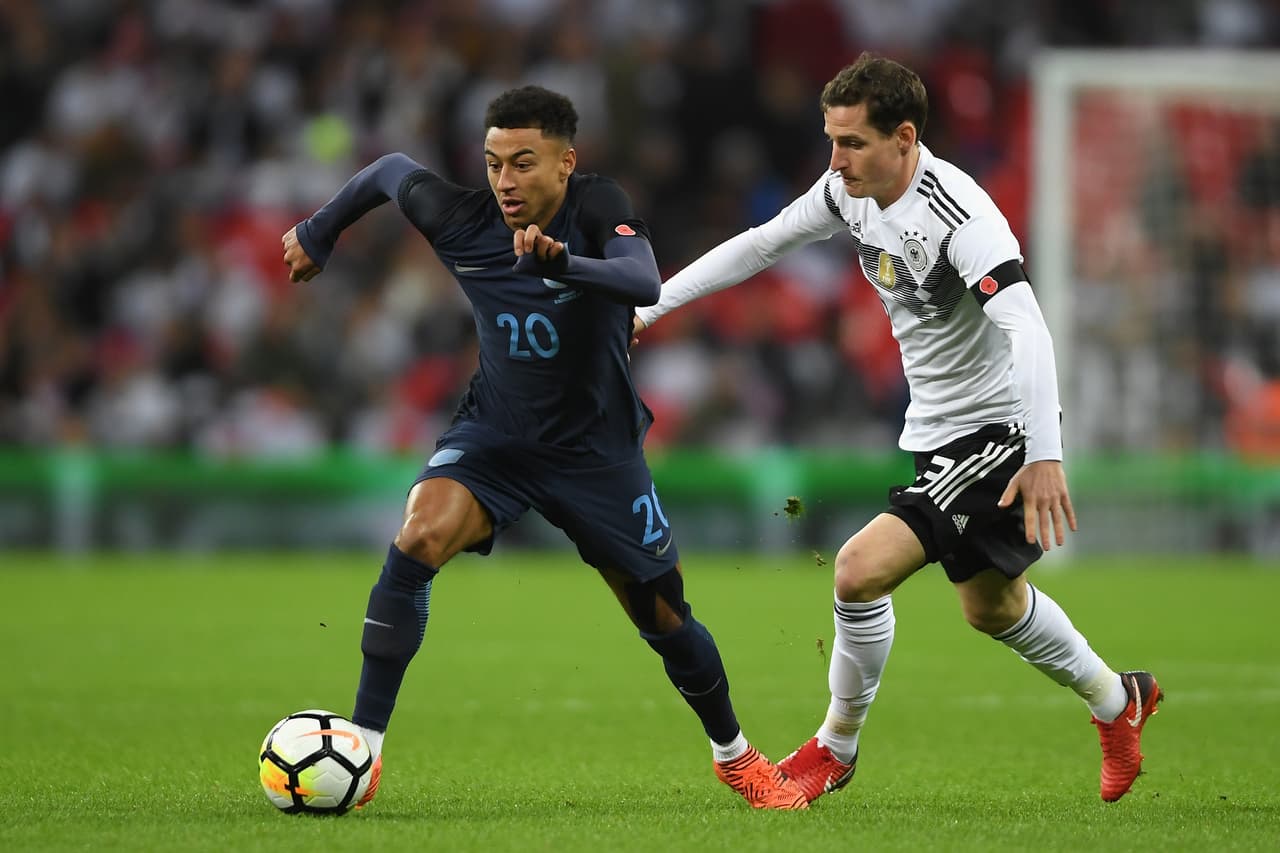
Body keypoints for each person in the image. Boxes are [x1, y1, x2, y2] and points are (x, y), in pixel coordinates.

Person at [633, 53, 1162, 804]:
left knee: (856, 569)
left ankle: (834, 747)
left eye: (851, 142)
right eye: (831, 139)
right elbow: (760, 244)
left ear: (904, 138)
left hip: (999, 428)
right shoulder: (848, 193)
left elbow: (1031, 330)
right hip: (937, 430)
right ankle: (1119, 700)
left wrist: (1045, 454)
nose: (835, 159)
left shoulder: (961, 215)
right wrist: (649, 306)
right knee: (991, 606)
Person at [280, 85, 807, 811]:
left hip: (598, 453)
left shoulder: (597, 206)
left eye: (523, 163)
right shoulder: (463, 218)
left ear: (565, 163)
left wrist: (566, 264)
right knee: (420, 533)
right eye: (494, 162)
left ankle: (735, 755)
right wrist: (319, 229)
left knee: (663, 617)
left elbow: (642, 279)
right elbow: (387, 170)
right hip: (497, 435)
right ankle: (363, 749)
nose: (504, 180)